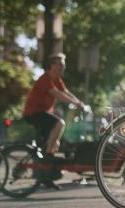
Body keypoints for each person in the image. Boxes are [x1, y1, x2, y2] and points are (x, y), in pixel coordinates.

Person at [22, 53, 85, 189]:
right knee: (59, 124)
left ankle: (46, 177)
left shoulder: (57, 79)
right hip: (33, 113)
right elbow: (58, 94)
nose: (63, 67)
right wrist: (75, 104)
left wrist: (79, 102)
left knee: (54, 142)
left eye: (63, 65)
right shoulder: (45, 79)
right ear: (52, 65)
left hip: (42, 113)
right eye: (60, 64)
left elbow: (66, 92)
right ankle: (48, 156)